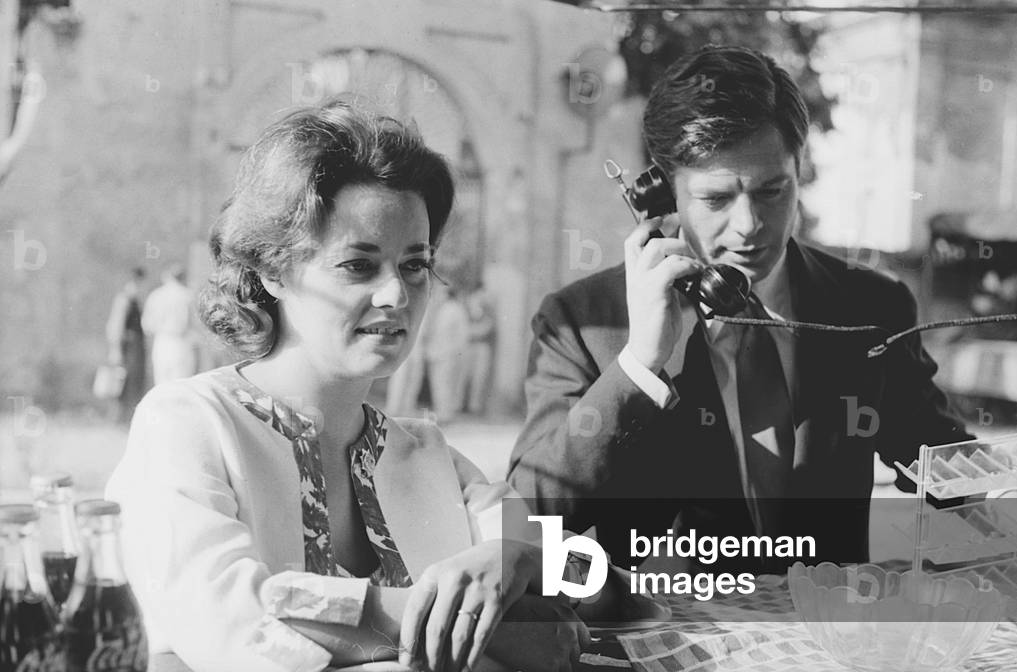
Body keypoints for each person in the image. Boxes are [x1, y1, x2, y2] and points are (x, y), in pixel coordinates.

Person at [106, 101, 631, 672]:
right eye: (359, 265)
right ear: (270, 270)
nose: (396, 296)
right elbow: (233, 621)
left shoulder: (430, 457)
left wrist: (517, 558)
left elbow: (597, 589)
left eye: (414, 264)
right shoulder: (188, 423)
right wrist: (452, 619)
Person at [507, 46, 971, 570]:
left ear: (801, 169)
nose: (750, 224)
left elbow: (949, 473)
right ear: (658, 197)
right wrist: (638, 366)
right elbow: (525, 511)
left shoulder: (869, 304)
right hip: (657, 634)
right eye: (716, 199)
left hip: (819, 639)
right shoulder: (581, 323)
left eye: (773, 191)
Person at [141, 263, 198, 384]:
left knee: (161, 384)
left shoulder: (155, 295)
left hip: (161, 343)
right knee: (180, 384)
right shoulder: (187, 296)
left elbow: (147, 325)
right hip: (181, 343)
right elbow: (194, 324)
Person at [423, 284, 471, 423]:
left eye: (441, 293)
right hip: (438, 352)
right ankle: (442, 413)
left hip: (447, 354)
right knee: (439, 384)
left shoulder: (453, 309)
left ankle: (445, 415)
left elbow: (462, 335)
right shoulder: (441, 308)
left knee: (444, 384)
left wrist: (455, 352)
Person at [105, 266, 147, 423]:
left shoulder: (135, 299)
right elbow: (115, 326)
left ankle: (128, 418)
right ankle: (118, 419)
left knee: (134, 381)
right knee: (122, 382)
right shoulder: (124, 299)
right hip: (127, 347)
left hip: (136, 347)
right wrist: (116, 350)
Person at [462, 281, 496, 415]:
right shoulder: (469, 309)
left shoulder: (488, 316)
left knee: (479, 377)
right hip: (470, 346)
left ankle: (474, 407)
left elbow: (486, 330)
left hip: (482, 347)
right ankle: (463, 405)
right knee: (466, 375)